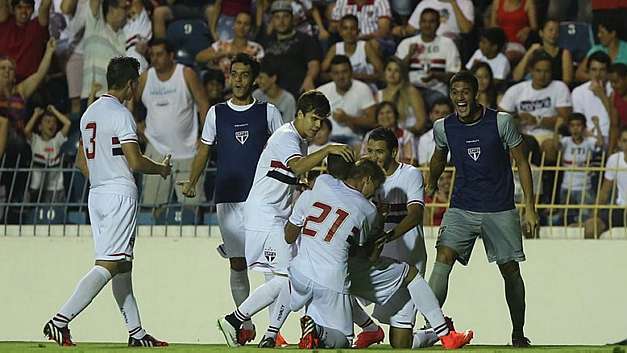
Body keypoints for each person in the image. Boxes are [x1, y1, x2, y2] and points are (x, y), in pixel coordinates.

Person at [43, 56, 171, 347]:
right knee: (110, 264)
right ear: (130, 84)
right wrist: (161, 169)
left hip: (97, 193)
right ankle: (60, 320)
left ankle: (136, 334)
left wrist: (102, 173)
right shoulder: (121, 114)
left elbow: (80, 161)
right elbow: (135, 161)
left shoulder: (89, 113)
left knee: (122, 266)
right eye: (135, 83)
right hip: (118, 194)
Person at [215, 90, 354, 348]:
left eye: (321, 121)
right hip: (264, 214)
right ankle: (236, 320)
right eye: (314, 118)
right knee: (288, 277)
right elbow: (297, 166)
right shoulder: (287, 137)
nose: (317, 125)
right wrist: (328, 149)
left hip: (274, 214)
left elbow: (289, 175)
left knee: (289, 278)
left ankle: (269, 334)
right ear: (299, 114)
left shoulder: (299, 141)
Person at [426, 71, 538, 347]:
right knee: (443, 257)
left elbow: (522, 162)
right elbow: (439, 156)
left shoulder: (500, 122)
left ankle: (518, 332)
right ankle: (429, 327)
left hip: (500, 208)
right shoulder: (444, 126)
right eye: (455, 93)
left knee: (510, 269)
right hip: (462, 206)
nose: (460, 98)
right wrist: (431, 181)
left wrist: (530, 208)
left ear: (475, 94)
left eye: (465, 92)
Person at [179, 53, 284, 345]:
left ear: (254, 79)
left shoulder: (268, 112)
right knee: (237, 263)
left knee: (270, 265)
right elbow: (203, 150)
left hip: (262, 200)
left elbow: (285, 153)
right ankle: (245, 325)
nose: (238, 80)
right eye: (233, 74)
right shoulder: (216, 113)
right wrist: (192, 182)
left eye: (244, 75)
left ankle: (275, 330)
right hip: (226, 198)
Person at [284, 159, 385, 349]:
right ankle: (319, 330)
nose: (374, 193)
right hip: (330, 279)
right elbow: (357, 250)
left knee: (317, 342)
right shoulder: (369, 210)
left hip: (299, 273)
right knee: (344, 340)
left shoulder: (324, 181)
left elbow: (289, 235)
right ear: (367, 180)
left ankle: (300, 331)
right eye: (376, 187)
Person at [355, 127, 428, 347]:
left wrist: (387, 236)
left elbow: (415, 214)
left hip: (407, 260)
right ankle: (370, 329)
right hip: (375, 260)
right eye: (370, 151)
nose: (374, 157)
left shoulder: (410, 174)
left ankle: (433, 333)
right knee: (339, 288)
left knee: (400, 344)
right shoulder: (365, 178)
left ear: (394, 152)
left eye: (379, 151)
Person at [137, 38, 209, 215]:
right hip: (156, 150)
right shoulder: (146, 77)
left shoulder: (186, 74)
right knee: (154, 206)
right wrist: (138, 126)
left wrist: (204, 136)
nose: (155, 58)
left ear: (171, 55)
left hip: (187, 150)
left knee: (192, 207)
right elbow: (133, 103)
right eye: (152, 55)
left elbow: (203, 104)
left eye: (160, 54)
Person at [499, 50, 572, 162]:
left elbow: (565, 119)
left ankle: (548, 179)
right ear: (531, 71)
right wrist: (516, 119)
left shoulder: (559, 87)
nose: (542, 75)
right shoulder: (517, 90)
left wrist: (537, 120)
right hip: (522, 135)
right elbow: (501, 117)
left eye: (546, 71)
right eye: (538, 71)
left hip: (549, 135)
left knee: (550, 147)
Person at [395, 8, 461, 106]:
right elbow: (396, 71)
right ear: (419, 23)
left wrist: (436, 75)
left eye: (431, 22)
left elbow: (455, 76)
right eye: (424, 21)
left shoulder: (448, 44)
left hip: (436, 90)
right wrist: (409, 55)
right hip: (409, 89)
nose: (427, 25)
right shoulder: (407, 43)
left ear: (438, 24)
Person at [261, 1, 321, 97]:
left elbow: (314, 64)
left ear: (292, 19)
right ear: (272, 20)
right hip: (270, 94)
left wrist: (309, 78)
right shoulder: (266, 41)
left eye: (285, 16)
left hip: (297, 92)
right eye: (277, 17)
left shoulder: (305, 39)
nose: (281, 21)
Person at [552, 113, 603, 225]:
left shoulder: (589, 142)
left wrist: (597, 126)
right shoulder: (566, 141)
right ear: (569, 128)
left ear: (584, 127)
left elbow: (600, 144)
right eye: (572, 125)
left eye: (578, 125)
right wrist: (556, 128)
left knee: (586, 218)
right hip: (567, 187)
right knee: (565, 218)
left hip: (585, 187)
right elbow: (556, 146)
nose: (575, 128)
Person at [317, 55, 377, 146]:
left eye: (344, 72)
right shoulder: (321, 91)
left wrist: (347, 118)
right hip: (327, 140)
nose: (341, 76)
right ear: (331, 75)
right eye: (336, 73)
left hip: (354, 139)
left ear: (351, 72)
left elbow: (372, 121)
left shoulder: (363, 89)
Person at [195, 11, 264, 84]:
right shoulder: (221, 45)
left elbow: (258, 71)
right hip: (221, 87)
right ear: (234, 24)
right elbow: (199, 57)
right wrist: (223, 53)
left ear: (251, 27)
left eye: (246, 24)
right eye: (239, 22)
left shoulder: (256, 48)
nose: (242, 27)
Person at [572, 51, 619, 152]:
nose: (597, 74)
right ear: (588, 71)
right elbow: (578, 121)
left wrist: (602, 95)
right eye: (594, 70)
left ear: (608, 72)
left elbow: (617, 119)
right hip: (587, 138)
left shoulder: (616, 90)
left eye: (602, 70)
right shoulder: (578, 92)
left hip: (611, 138)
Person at [23, 105, 71, 203]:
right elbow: (26, 130)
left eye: (54, 122)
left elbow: (68, 123)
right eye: (47, 121)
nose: (51, 124)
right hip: (36, 188)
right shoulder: (35, 140)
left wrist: (54, 110)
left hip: (56, 189)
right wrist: (36, 114)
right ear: (40, 127)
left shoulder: (56, 141)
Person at [585, 127, 627, 238]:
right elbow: (605, 191)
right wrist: (593, 215)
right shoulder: (614, 160)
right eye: (625, 141)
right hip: (621, 209)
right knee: (590, 227)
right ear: (619, 143)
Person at [322, 14, 383, 84]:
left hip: (365, 87)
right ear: (340, 32)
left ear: (358, 31)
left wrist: (358, 77)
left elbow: (381, 74)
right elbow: (322, 74)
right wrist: (338, 76)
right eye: (345, 28)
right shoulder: (335, 48)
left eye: (353, 29)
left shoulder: (365, 46)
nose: (349, 32)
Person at [0, 0, 51, 82]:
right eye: (19, 7)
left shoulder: (38, 27)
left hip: (29, 84)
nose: (23, 11)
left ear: (33, 10)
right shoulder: (4, 24)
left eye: (28, 8)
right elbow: (2, 4)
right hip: (3, 82)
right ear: (13, 10)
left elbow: (45, 5)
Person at [512, 19, 573, 85]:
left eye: (557, 31)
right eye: (550, 30)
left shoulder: (564, 53)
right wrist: (528, 53)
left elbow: (567, 81)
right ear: (541, 33)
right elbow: (516, 77)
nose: (554, 33)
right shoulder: (535, 52)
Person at [378, 57, 427, 134]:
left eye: (396, 70)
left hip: (410, 136)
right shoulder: (378, 94)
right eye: (389, 70)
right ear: (384, 72)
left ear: (402, 74)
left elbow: (421, 121)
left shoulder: (411, 92)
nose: (392, 74)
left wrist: (404, 135)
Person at [253, 59, 296, 124]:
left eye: (261, 77)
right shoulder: (256, 95)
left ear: (273, 78)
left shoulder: (288, 100)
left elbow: (288, 127)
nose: (257, 81)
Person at [417, 97, 453, 167]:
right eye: (437, 113)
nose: (440, 116)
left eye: (445, 113)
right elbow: (423, 166)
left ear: (452, 116)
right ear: (430, 115)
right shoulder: (424, 139)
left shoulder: (459, 136)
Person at [609, 63, 627, 127]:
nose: (612, 85)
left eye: (616, 81)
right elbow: (614, 125)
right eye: (611, 82)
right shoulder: (614, 97)